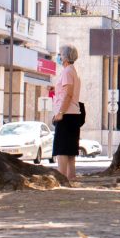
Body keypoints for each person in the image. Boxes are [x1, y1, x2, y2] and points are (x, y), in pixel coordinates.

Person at [51, 44, 83, 182]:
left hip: (67, 114)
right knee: (70, 149)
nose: (58, 56)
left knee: (62, 149)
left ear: (64, 57)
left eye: (60, 54)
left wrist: (60, 113)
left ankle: (62, 177)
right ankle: (71, 177)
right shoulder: (73, 71)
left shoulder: (66, 72)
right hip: (74, 114)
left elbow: (68, 93)